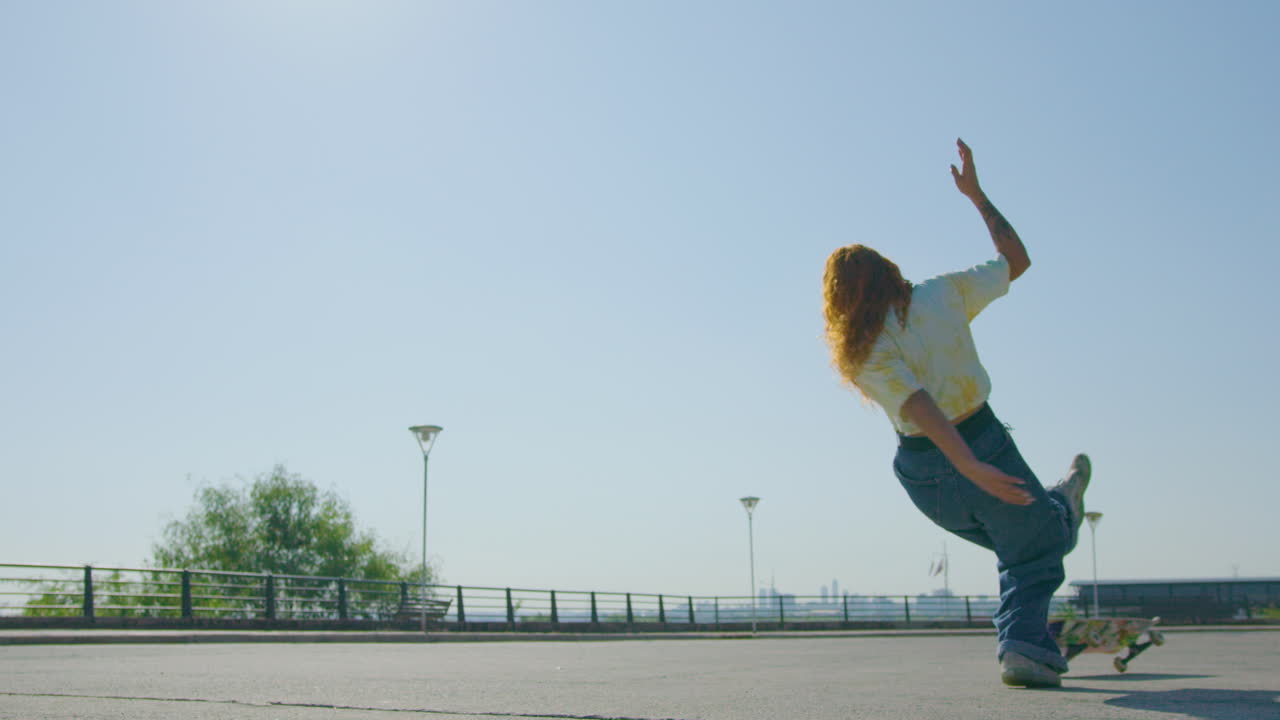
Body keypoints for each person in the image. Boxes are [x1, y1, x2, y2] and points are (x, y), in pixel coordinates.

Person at [821, 139, 1091, 688]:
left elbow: (911, 403)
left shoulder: (860, 346)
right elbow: (1017, 261)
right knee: (1039, 546)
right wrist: (976, 196)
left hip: (922, 477)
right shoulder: (939, 295)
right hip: (978, 444)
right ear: (890, 270)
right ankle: (1022, 639)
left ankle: (1054, 536)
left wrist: (960, 467)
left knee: (1028, 547)